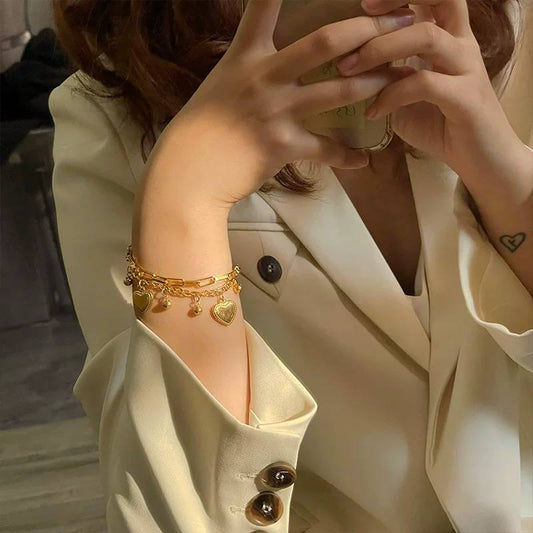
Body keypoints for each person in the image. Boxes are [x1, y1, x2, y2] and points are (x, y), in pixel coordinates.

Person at [49, 0, 532, 531]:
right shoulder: (112, 110)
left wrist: (508, 181)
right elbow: (179, 514)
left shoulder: (516, 37)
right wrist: (185, 199)